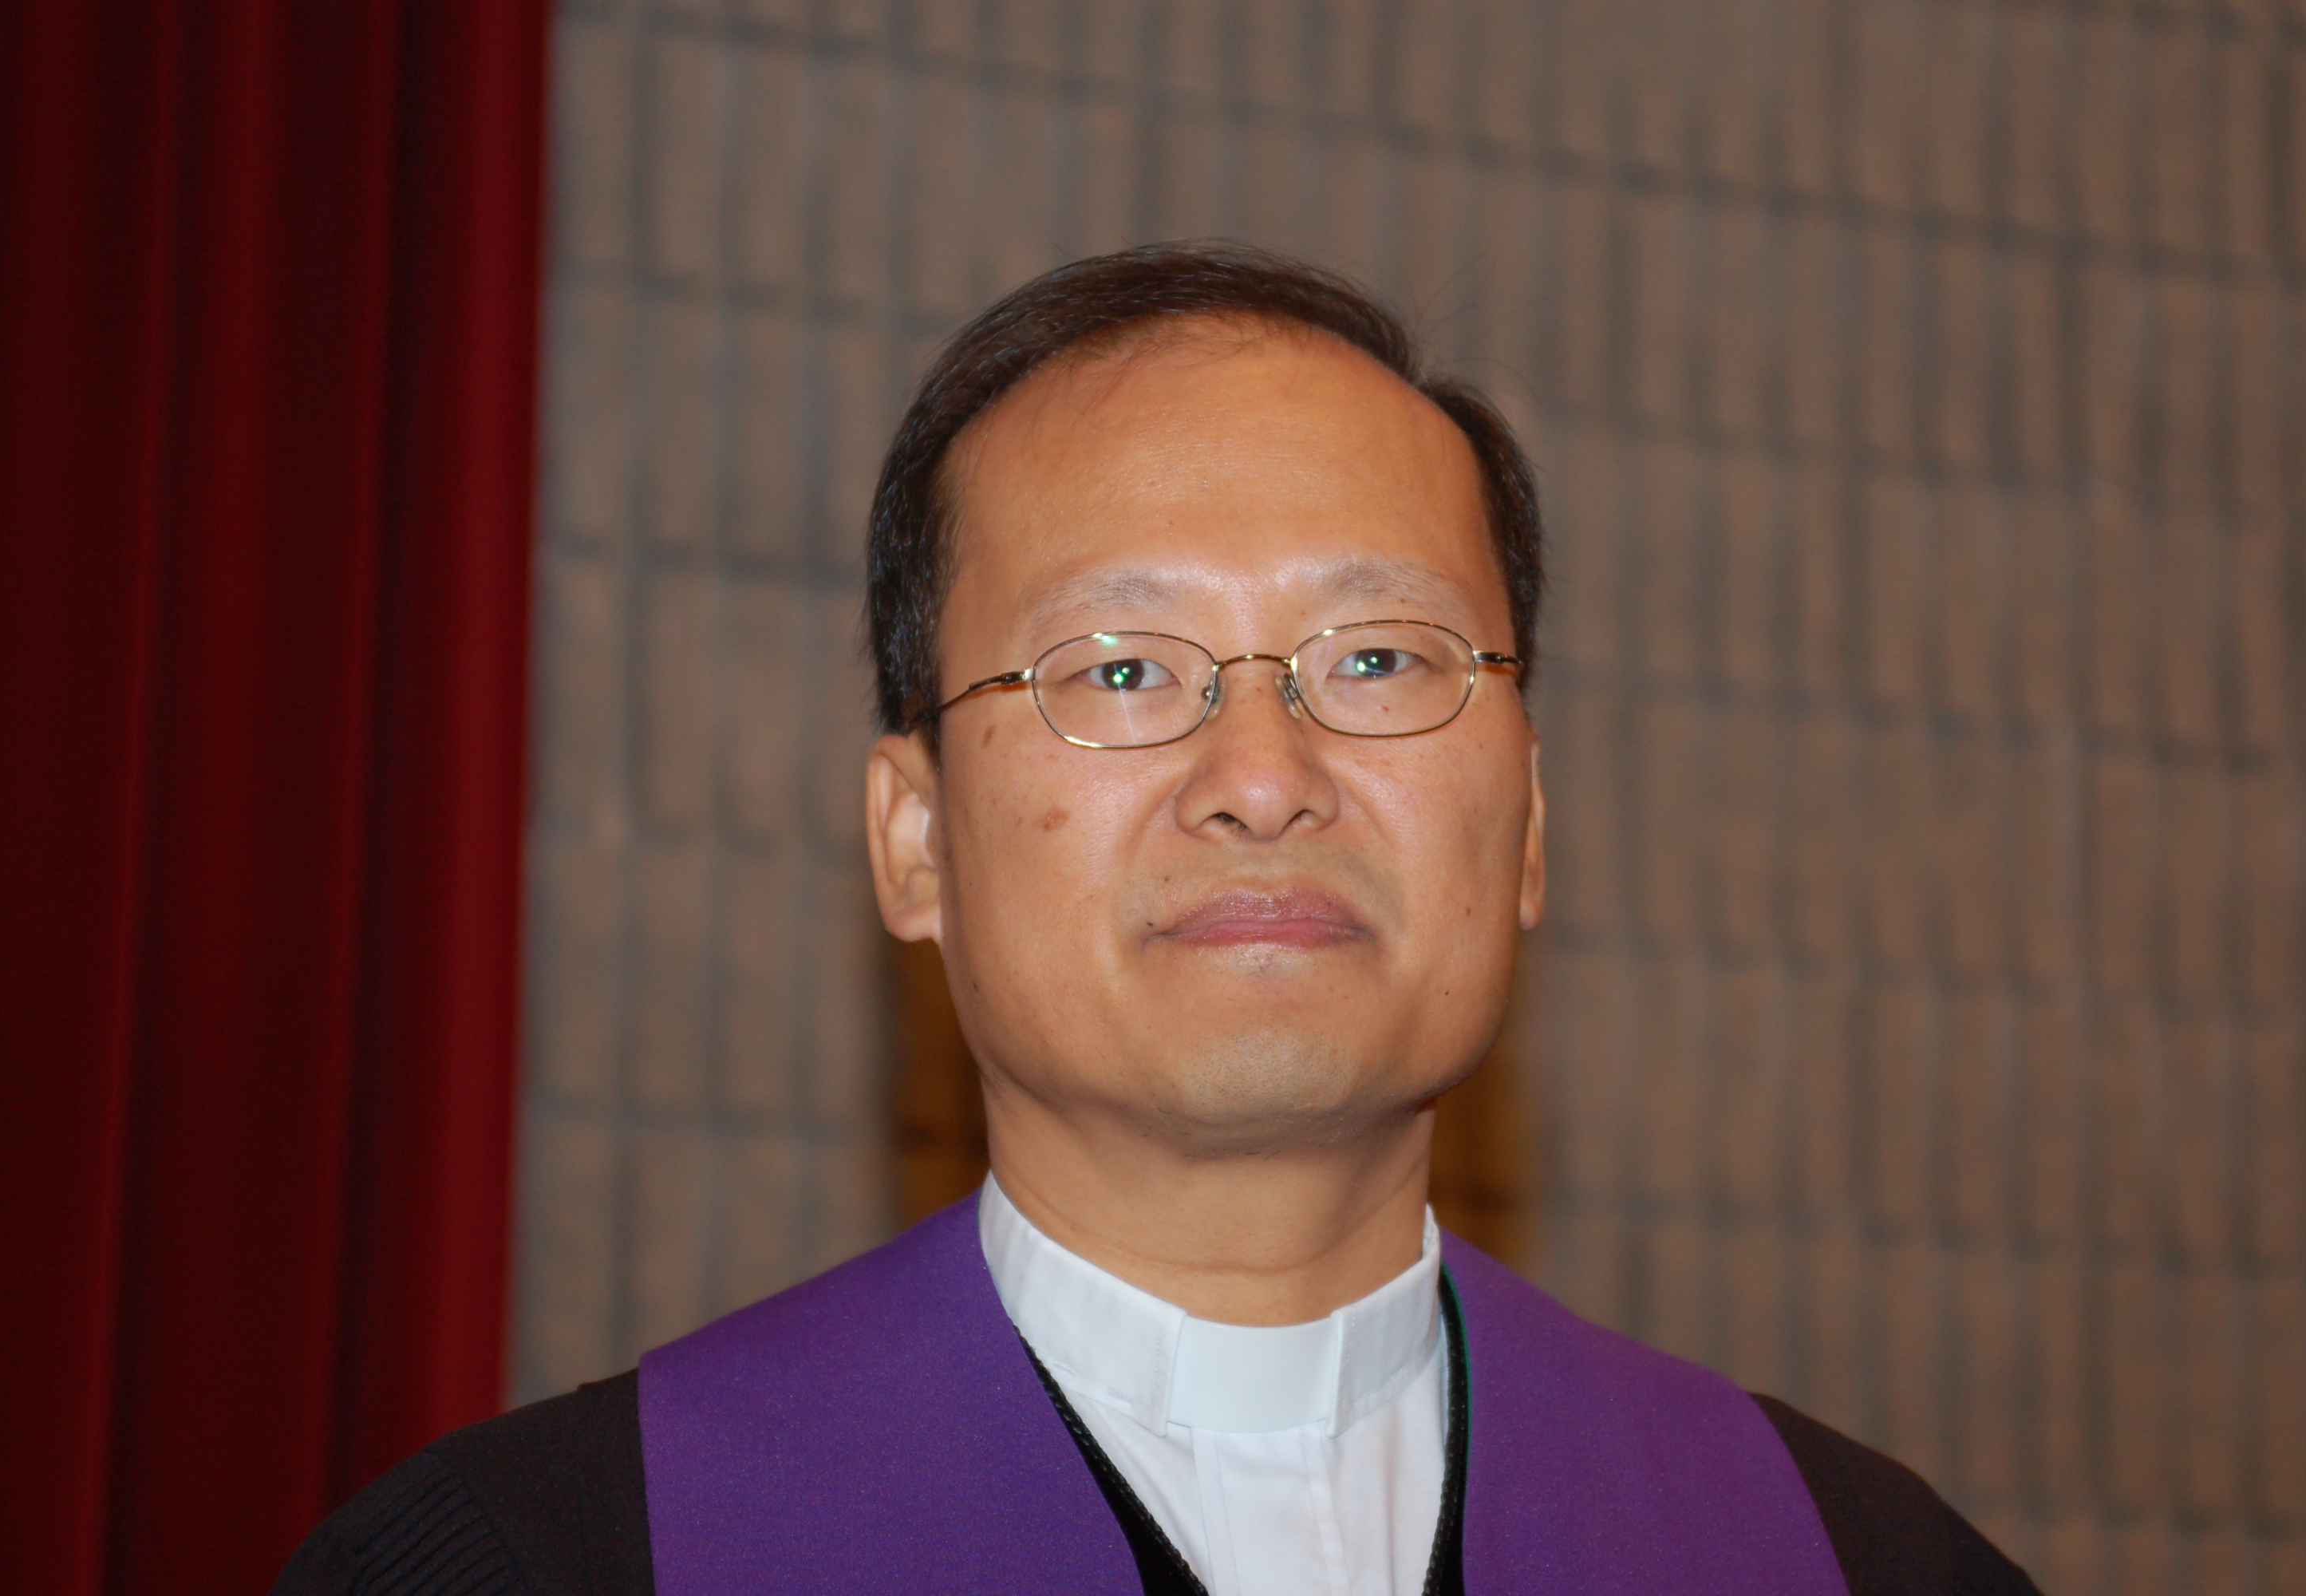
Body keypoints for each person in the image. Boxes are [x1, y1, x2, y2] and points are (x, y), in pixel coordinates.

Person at [277, 243, 2037, 1595]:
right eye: (1120, 668)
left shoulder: (1855, 1563)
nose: (1263, 777)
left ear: (1527, 830)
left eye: (1379, 659)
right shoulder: (543, 1560)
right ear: (916, 842)